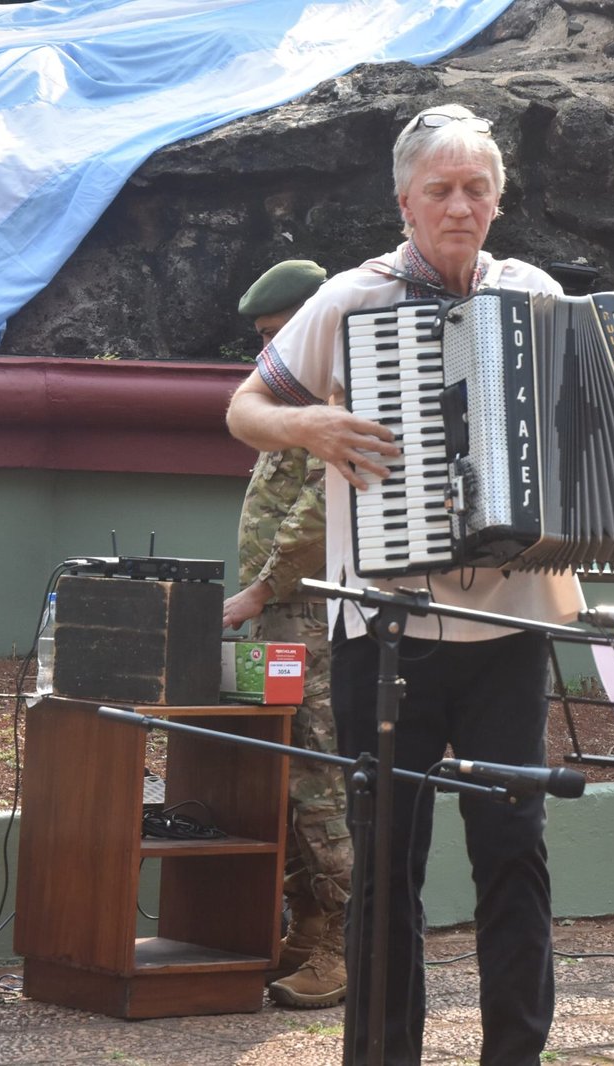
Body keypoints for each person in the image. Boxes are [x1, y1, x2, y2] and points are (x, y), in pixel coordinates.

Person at [225, 103, 614, 1065]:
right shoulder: (351, 300)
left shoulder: (539, 294)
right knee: (386, 861)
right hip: (385, 626)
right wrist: (307, 427)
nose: (458, 205)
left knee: (513, 855)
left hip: (513, 624)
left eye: (475, 188)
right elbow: (244, 406)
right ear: (404, 200)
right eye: (439, 189)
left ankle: (513, 1055)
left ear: (498, 199)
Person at [222, 258, 354, 1008]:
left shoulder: (336, 392)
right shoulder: (290, 394)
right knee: (282, 771)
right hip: (275, 619)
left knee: (316, 777)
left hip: (306, 618)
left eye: (279, 335)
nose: (268, 354)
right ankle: (305, 929)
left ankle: (336, 945)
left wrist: (262, 590)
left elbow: (319, 511)